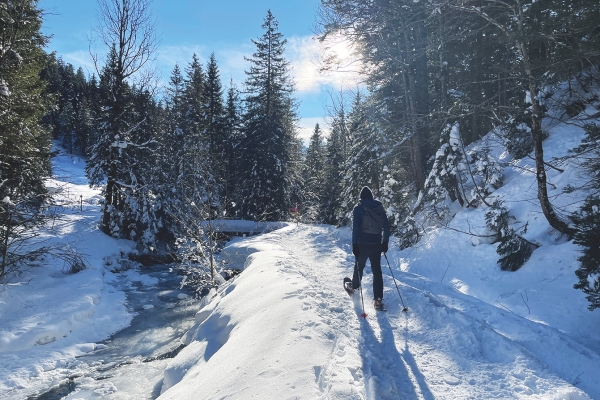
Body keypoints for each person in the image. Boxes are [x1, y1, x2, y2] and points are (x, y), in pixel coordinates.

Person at [348, 186, 390, 310]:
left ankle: (354, 287)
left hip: (362, 243)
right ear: (372, 197)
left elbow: (356, 228)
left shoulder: (359, 209)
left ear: (361, 198)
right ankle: (378, 300)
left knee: (359, 266)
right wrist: (385, 242)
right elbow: (386, 228)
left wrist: (354, 244)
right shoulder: (379, 208)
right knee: (377, 271)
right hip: (376, 244)